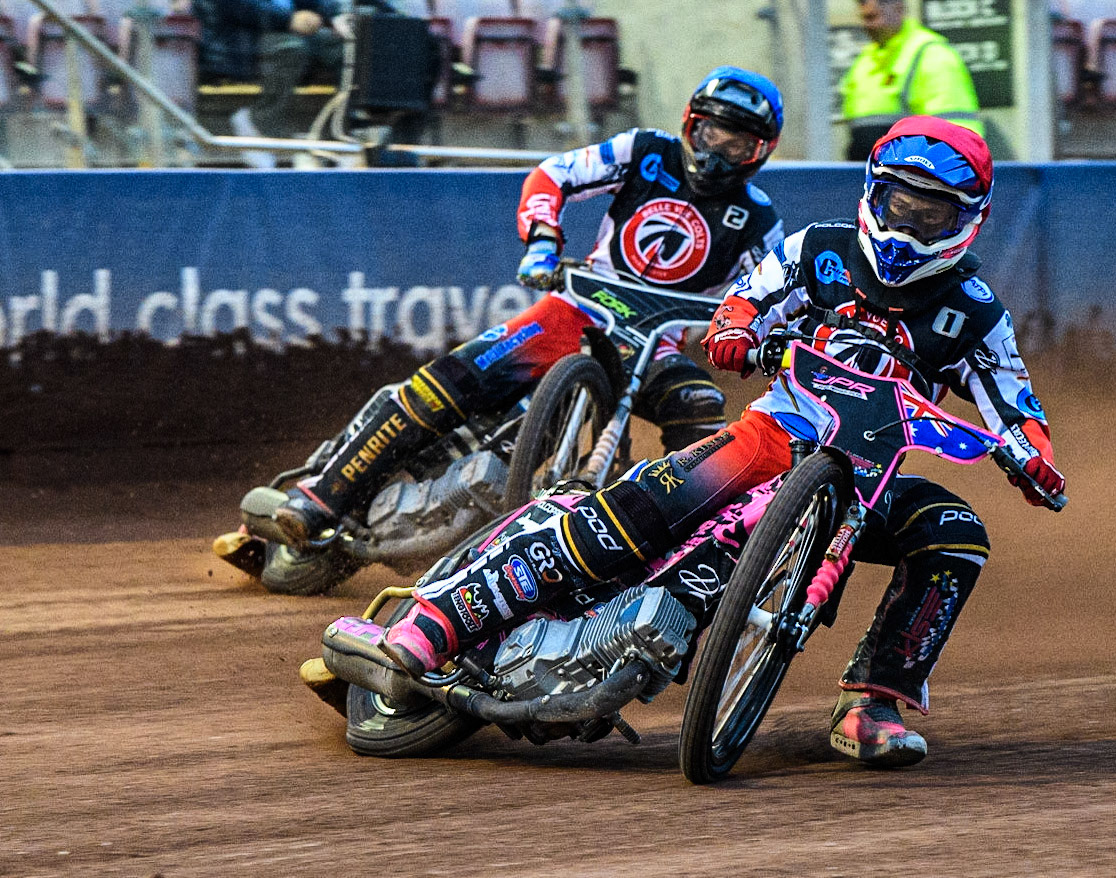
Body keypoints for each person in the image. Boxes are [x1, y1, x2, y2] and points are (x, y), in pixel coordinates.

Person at [375, 116, 1066, 769]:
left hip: (869, 479)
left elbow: (1016, 405)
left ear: (966, 221)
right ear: (871, 191)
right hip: (772, 434)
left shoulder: (977, 316)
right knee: (626, 516)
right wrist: (735, 330)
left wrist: (1034, 459)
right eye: (895, 202)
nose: (905, 225)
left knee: (954, 532)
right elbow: (747, 299)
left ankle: (874, 705)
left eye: (929, 213)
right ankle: (445, 618)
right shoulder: (817, 249)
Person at [260, 66, 786, 549]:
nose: (716, 152)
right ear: (690, 124)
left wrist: (768, 339)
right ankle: (322, 496)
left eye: (736, 143)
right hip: (578, 310)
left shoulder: (761, 221)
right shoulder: (645, 151)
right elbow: (554, 173)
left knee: (697, 403)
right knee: (448, 380)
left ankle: (687, 542)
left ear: (759, 152)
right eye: (710, 133)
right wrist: (541, 239)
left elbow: (775, 296)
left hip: (655, 344)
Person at [195, 0, 362, 168]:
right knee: (290, 49)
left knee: (349, 49)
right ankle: (256, 122)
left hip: (288, 32)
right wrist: (288, 19)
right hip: (242, 39)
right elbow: (238, 7)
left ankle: (340, 136)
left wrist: (335, 15)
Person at [839, 0, 983, 161]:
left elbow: (957, 136)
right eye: (865, 16)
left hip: (915, 178)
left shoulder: (933, 55)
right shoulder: (864, 62)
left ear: (899, 7)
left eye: (874, 16)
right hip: (871, 177)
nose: (870, 25)